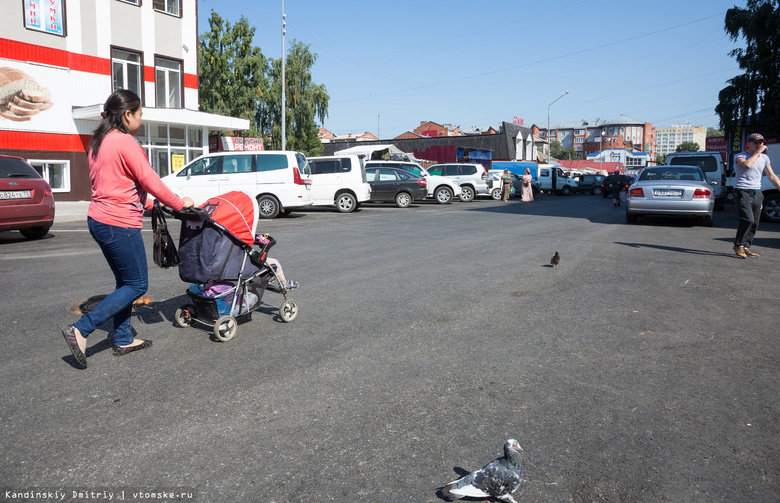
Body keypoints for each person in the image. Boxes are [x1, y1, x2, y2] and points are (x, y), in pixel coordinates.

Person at [61, 90, 194, 368]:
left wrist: (149, 205)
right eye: (140, 114)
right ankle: (81, 329)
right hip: (118, 223)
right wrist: (179, 204)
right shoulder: (125, 142)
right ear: (127, 115)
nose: (141, 120)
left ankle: (122, 339)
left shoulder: (98, 141)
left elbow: (116, 185)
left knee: (124, 283)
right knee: (137, 284)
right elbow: (150, 180)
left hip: (98, 220)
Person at [732, 133, 780, 259]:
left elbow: (771, 176)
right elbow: (747, 165)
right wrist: (757, 153)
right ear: (749, 143)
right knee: (748, 219)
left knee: (755, 222)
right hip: (742, 191)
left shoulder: (764, 158)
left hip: (757, 192)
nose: (760, 145)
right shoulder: (740, 156)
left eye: (761, 142)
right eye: (756, 142)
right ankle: (738, 245)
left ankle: (746, 246)